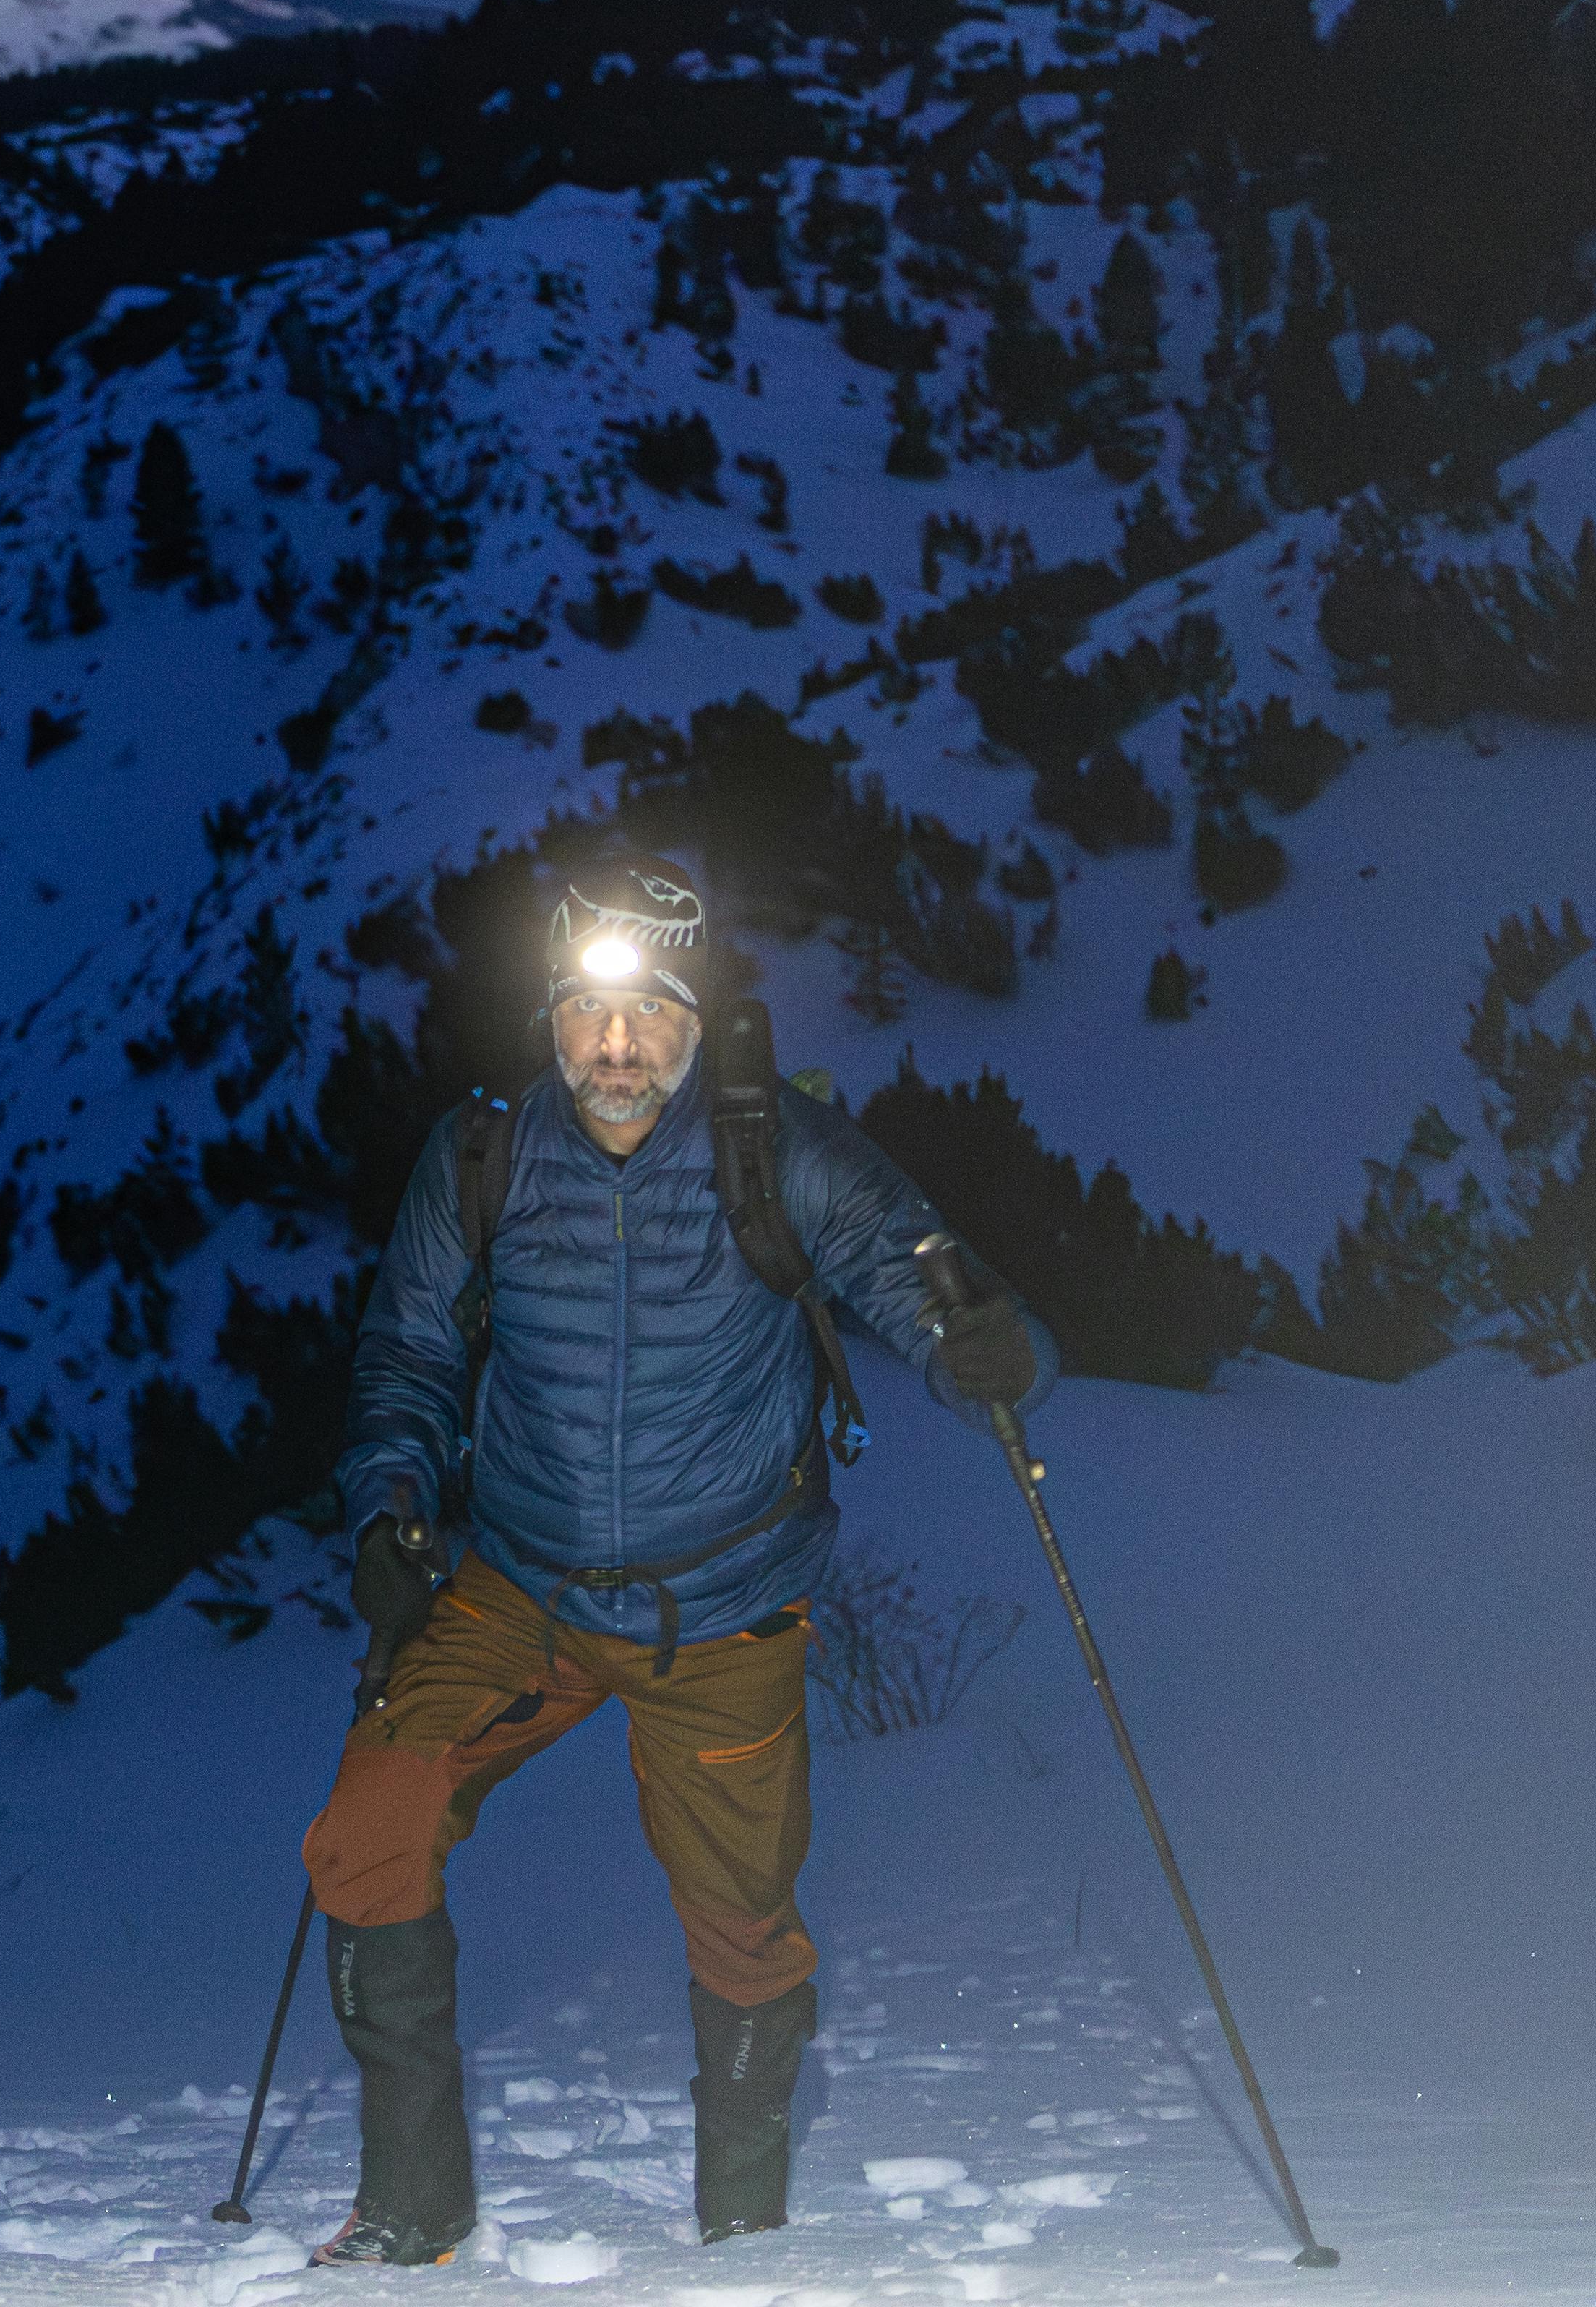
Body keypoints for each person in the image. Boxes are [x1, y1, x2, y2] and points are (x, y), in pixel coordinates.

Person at [299, 854, 1051, 2264]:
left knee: (744, 1921)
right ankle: (412, 2210)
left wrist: (989, 1353)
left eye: (649, 1013)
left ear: (697, 1017)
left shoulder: (783, 1157)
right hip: (523, 1586)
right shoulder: (487, 1156)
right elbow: (404, 1353)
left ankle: (747, 2220)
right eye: (590, 1013)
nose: (618, 1045)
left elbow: (935, 1292)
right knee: (368, 1819)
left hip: (723, 1601)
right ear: (552, 1018)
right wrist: (390, 1516)